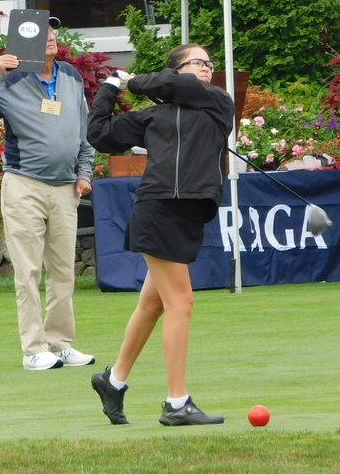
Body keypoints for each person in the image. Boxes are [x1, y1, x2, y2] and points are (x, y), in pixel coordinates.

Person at [87, 44, 235, 426]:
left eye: (209, 63)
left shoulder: (218, 102)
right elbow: (99, 134)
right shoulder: (153, 116)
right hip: (158, 209)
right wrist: (110, 87)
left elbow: (178, 86)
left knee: (153, 305)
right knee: (180, 303)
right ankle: (176, 403)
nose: (206, 68)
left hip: (187, 214)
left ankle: (112, 381)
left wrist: (133, 81)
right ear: (177, 69)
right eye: (197, 62)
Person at [0, 15, 96, 370]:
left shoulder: (71, 76)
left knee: (63, 270)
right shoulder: (10, 80)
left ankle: (59, 343)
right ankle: (34, 350)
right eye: (41, 34)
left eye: (52, 32)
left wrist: (84, 172)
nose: (50, 38)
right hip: (24, 184)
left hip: (65, 187)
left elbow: (83, 133)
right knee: (27, 271)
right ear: (23, 43)